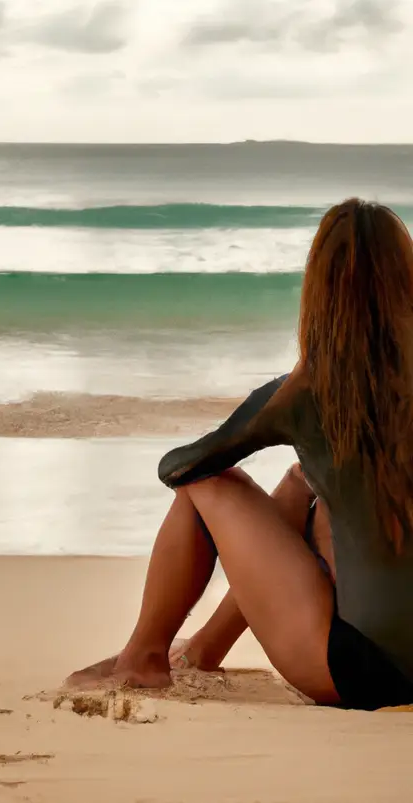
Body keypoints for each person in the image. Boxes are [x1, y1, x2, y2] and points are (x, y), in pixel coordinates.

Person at [66, 198, 413, 711]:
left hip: (360, 673)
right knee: (306, 483)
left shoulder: (306, 391)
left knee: (208, 484)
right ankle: (205, 648)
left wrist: (285, 418)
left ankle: (143, 656)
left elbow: (182, 467)